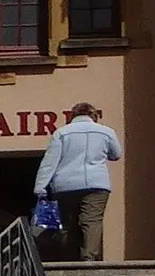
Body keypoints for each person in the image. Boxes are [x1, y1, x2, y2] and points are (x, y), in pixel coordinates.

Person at [33, 104, 122, 261]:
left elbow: (50, 162)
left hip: (66, 185)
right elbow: (116, 154)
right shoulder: (106, 132)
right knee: (92, 220)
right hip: (97, 184)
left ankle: (70, 258)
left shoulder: (61, 133)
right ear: (94, 116)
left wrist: (40, 186)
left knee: (68, 224)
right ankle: (89, 257)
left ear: (72, 116)